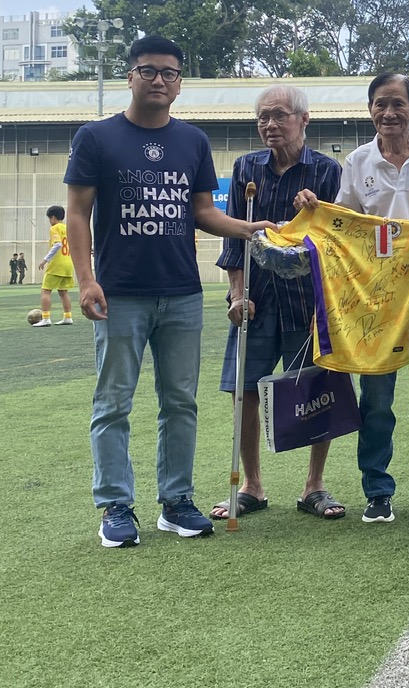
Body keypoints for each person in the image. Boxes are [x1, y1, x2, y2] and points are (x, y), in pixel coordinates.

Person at [65, 35, 272, 549]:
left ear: (179, 85)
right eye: (149, 71)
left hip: (181, 294)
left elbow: (202, 211)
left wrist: (246, 229)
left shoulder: (192, 142)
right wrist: (86, 279)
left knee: (180, 402)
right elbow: (77, 212)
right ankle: (115, 504)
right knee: (113, 402)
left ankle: (176, 500)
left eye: (169, 74)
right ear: (130, 76)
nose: (159, 80)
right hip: (120, 295)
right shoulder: (95, 137)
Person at [207, 85, 345, 523]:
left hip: (309, 302)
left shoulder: (327, 171)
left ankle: (314, 486)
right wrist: (237, 294)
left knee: (319, 390)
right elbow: (236, 238)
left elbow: (337, 242)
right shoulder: (247, 166)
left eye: (279, 116)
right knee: (245, 391)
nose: (270, 124)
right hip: (257, 302)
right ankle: (252, 486)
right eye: (263, 117)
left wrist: (317, 212)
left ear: (304, 120)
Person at [326, 73, 409, 523]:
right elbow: (344, 224)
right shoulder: (357, 162)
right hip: (375, 297)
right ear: (370, 111)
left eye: (398, 104)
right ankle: (377, 490)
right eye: (381, 104)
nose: (389, 113)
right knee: (376, 399)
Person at [35, 206, 75, 325]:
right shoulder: (68, 228)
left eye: (49, 219)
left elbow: (57, 245)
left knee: (46, 291)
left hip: (57, 264)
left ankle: (46, 318)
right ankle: (68, 317)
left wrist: (45, 260)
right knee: (63, 291)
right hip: (68, 263)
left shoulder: (55, 228)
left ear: (52, 217)